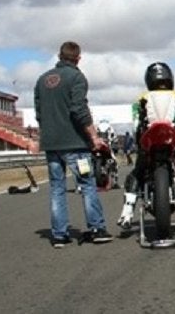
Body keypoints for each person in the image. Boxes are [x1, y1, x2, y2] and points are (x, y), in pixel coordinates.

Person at [34, 41, 114, 247]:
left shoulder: (42, 80)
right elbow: (79, 109)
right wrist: (94, 137)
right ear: (78, 58)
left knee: (57, 188)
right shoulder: (77, 77)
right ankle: (96, 228)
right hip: (75, 144)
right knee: (87, 185)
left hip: (51, 145)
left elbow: (39, 114)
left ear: (59, 56)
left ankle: (59, 234)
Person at [117, 61, 175, 229]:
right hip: (171, 137)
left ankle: (127, 213)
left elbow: (137, 125)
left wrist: (139, 142)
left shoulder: (142, 98)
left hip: (150, 139)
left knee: (137, 172)